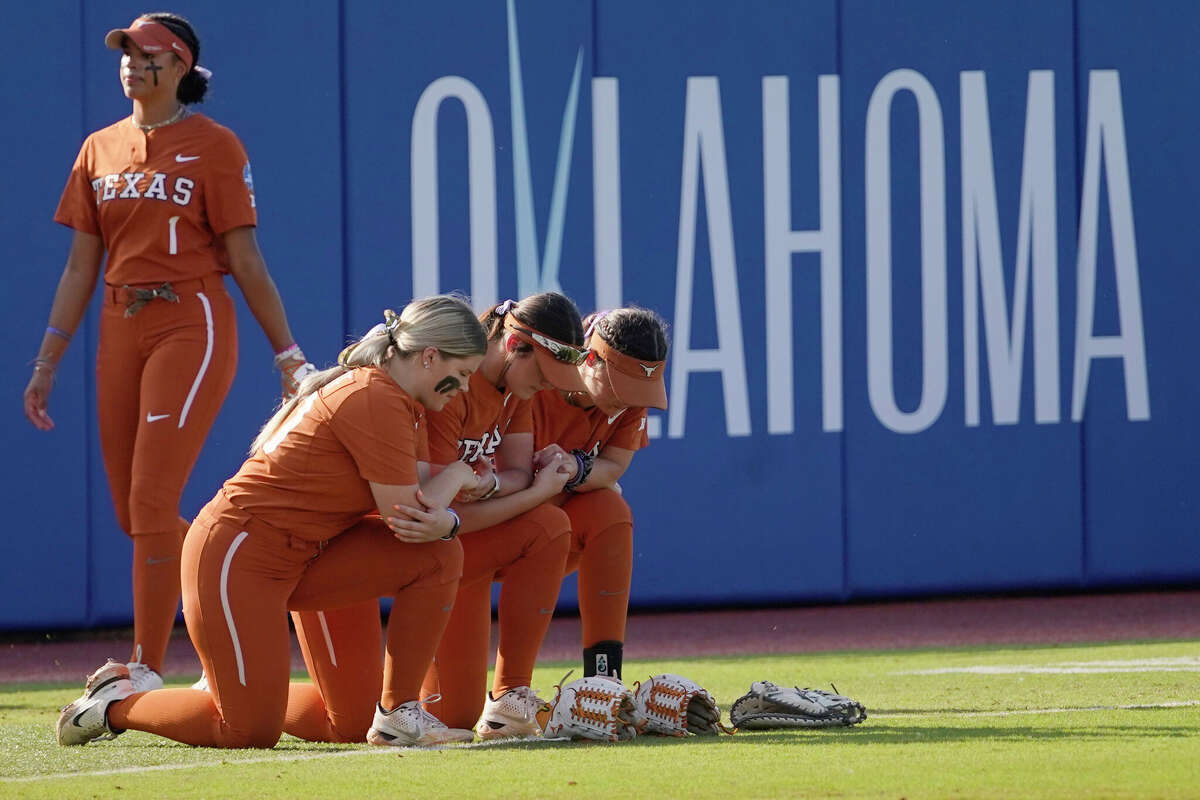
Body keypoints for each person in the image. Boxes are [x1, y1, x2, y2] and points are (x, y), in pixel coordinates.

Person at [23, 13, 316, 693]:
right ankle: (235, 579)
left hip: (192, 320)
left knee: (152, 503)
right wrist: (46, 362)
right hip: (120, 322)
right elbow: (79, 268)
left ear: (179, 65)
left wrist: (288, 355)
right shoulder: (99, 147)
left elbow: (244, 256)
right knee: (135, 515)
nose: (130, 62)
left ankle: (146, 666)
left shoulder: (213, 145)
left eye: (146, 53)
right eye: (124, 51)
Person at [56, 296, 487, 749]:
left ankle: (395, 713)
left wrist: (457, 488)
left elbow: (411, 491)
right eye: (462, 373)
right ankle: (114, 704)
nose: (463, 386)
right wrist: (458, 477)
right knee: (247, 731)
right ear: (430, 355)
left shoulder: (398, 398)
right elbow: (407, 515)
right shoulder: (374, 395)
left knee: (432, 566)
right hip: (238, 553)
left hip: (304, 551)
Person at [284, 293, 585, 743]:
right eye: (543, 372)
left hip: (410, 547)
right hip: (342, 545)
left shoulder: (495, 387)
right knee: (340, 724)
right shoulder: (436, 391)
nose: (548, 386)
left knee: (454, 715)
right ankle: (232, 687)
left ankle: (508, 695)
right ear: (510, 345)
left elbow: (501, 482)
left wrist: (497, 486)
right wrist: (520, 490)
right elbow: (431, 513)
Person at [532, 307, 670, 681]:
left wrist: (574, 468)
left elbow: (613, 466)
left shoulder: (630, 401)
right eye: (619, 385)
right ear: (588, 358)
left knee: (609, 508)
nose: (628, 400)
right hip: (479, 530)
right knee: (451, 716)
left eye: (638, 390)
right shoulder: (533, 379)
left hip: (550, 531)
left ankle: (604, 680)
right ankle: (509, 692)